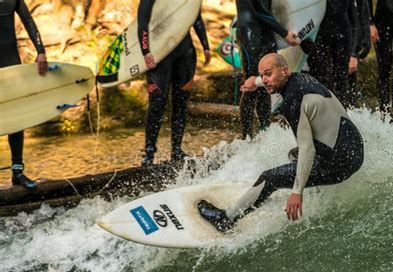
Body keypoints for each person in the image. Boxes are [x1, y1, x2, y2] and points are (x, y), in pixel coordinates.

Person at [198, 53, 364, 232]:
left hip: (340, 163)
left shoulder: (293, 101)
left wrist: (297, 193)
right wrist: (255, 82)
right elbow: (273, 79)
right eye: (262, 75)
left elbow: (307, 148)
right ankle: (313, 185)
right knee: (294, 155)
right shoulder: (301, 78)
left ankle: (226, 220)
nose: (265, 79)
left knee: (270, 178)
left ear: (284, 71)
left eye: (267, 74)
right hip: (354, 148)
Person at [138, 0, 212, 166]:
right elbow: (142, 22)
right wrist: (145, 51)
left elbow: (196, 18)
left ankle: (176, 150)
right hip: (159, 55)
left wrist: (205, 45)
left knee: (180, 104)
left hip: (185, 54)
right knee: (157, 103)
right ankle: (149, 151)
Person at [1, 0, 48, 189]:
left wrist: (41, 51)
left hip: (11, 63)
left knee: (17, 119)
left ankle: (17, 172)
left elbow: (29, 22)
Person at [236, 0, 299, 139]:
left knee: (266, 84)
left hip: (267, 33)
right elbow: (259, 8)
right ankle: (246, 137)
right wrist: (284, 32)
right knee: (251, 84)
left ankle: (265, 131)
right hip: (250, 32)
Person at [300, 0, 354, 109]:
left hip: (342, 33)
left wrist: (354, 53)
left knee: (341, 79)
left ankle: (343, 115)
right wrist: (302, 38)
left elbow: (354, 15)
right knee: (320, 77)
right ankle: (320, 114)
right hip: (315, 35)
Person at [348, 0, 372, 108]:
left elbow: (362, 7)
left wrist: (354, 53)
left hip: (349, 39)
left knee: (349, 88)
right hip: (325, 40)